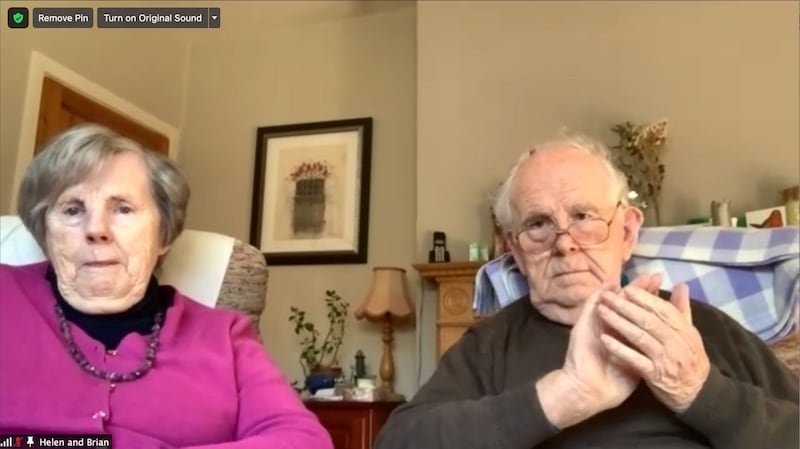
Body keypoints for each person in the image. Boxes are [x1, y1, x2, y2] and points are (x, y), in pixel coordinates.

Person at [374, 133, 799, 449]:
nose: (565, 242)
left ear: (628, 231)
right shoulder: (490, 345)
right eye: (538, 224)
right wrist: (563, 395)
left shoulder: (698, 328)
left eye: (583, 216)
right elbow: (399, 443)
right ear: (515, 250)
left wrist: (701, 392)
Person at [0, 124, 333, 449]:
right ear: (44, 233)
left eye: (123, 209)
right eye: (72, 209)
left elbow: (303, 440)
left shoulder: (224, 336)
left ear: (163, 235)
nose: (96, 229)